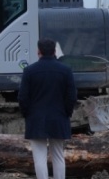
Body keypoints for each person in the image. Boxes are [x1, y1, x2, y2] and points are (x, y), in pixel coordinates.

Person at [18, 38, 77, 179]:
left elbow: (23, 97)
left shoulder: (29, 71)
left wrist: (27, 114)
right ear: (54, 52)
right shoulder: (66, 70)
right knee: (58, 156)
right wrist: (66, 113)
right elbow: (71, 96)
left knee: (39, 157)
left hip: (36, 118)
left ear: (39, 51)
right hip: (59, 117)